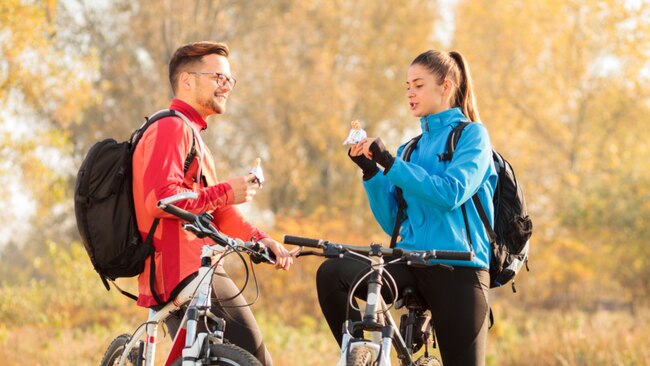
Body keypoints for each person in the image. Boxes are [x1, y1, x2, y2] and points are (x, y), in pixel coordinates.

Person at [316, 50, 497, 366]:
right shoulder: (409, 148)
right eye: (407, 86)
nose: (410, 93)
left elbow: (451, 193)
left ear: (445, 86)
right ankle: (358, 352)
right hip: (408, 264)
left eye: (418, 85)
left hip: (461, 269)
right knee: (332, 272)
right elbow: (394, 224)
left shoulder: (472, 136)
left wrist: (389, 162)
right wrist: (371, 172)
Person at [132, 41, 294, 366]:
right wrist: (224, 191)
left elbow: (218, 212)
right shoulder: (171, 127)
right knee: (256, 359)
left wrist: (261, 239)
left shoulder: (195, 139)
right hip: (185, 271)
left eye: (229, 80)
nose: (226, 86)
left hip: (196, 268)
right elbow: (161, 200)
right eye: (218, 77)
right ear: (187, 80)